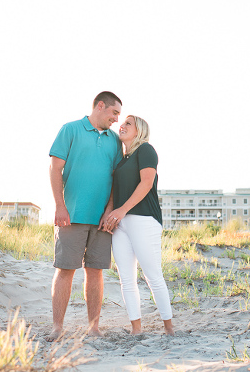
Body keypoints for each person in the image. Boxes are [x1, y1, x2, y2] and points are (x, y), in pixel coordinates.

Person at [47, 91, 123, 341]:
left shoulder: (115, 141)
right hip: (72, 214)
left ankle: (93, 328)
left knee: (95, 271)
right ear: (100, 106)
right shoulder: (70, 129)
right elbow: (55, 168)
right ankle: (57, 327)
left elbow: (116, 178)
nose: (117, 119)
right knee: (65, 270)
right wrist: (60, 206)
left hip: (101, 220)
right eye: (114, 112)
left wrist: (109, 210)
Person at [99, 115, 174, 336]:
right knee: (126, 279)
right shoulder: (122, 160)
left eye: (128, 123)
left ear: (139, 130)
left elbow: (147, 183)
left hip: (143, 219)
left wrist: (122, 210)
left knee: (153, 276)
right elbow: (115, 191)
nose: (122, 126)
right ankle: (136, 329)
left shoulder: (146, 150)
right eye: (122, 123)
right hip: (120, 224)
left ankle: (169, 328)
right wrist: (110, 213)